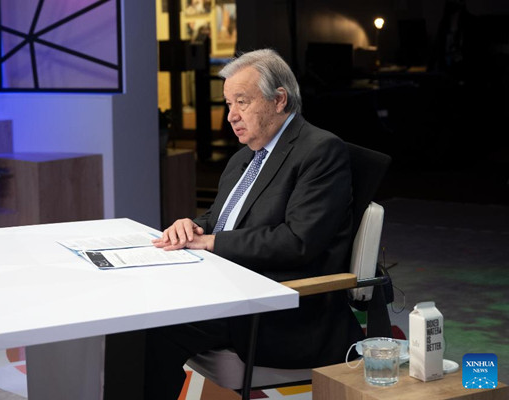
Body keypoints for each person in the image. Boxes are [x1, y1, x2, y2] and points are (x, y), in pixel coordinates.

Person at [146, 48, 364, 399]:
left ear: (279, 100)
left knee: (152, 329)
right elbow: (220, 218)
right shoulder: (244, 157)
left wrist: (212, 242)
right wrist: (191, 226)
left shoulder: (320, 151)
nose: (231, 116)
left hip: (279, 309)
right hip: (230, 288)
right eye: (228, 104)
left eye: (242, 102)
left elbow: (298, 241)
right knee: (140, 312)